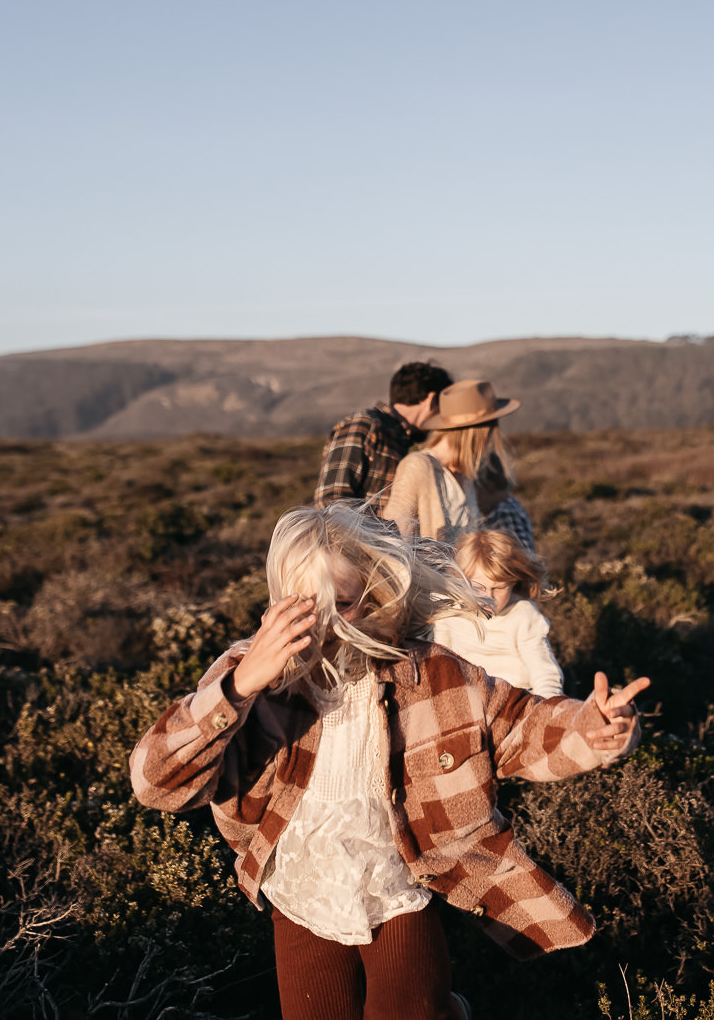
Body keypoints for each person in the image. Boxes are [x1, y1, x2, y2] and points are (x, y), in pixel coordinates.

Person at [129, 505, 650, 1020]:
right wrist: (240, 686)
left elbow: (520, 727)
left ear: (376, 596)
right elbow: (155, 783)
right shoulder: (251, 679)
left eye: (345, 603)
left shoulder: (432, 673)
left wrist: (594, 728)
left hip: (398, 877)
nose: (327, 624)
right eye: (306, 606)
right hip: (300, 883)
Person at [381, 380, 517, 544]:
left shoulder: (468, 476)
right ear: (481, 432)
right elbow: (394, 542)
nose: (490, 440)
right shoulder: (417, 467)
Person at [436, 530, 563, 697]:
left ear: (513, 582)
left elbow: (546, 676)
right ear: (463, 580)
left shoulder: (524, 616)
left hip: (515, 700)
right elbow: (441, 660)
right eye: (478, 587)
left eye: (499, 588)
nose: (489, 596)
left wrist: (545, 713)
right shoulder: (450, 607)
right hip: (467, 698)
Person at [315, 361, 454, 508]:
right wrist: (384, 525)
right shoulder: (364, 426)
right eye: (442, 409)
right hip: (355, 532)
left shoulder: (398, 439)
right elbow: (331, 502)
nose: (442, 419)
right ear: (431, 401)